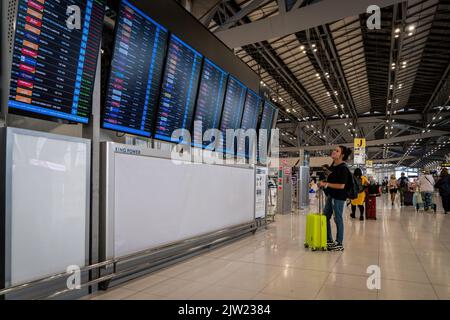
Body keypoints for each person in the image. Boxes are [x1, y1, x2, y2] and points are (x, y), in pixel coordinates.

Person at [318, 146, 352, 252]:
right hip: (331, 196)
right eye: (334, 150)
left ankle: (339, 243)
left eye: (337, 151)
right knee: (325, 217)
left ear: (341, 155)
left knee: (338, 219)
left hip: (338, 197)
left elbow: (341, 185)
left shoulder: (343, 168)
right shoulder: (334, 166)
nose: (334, 151)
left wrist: (326, 184)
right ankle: (329, 240)